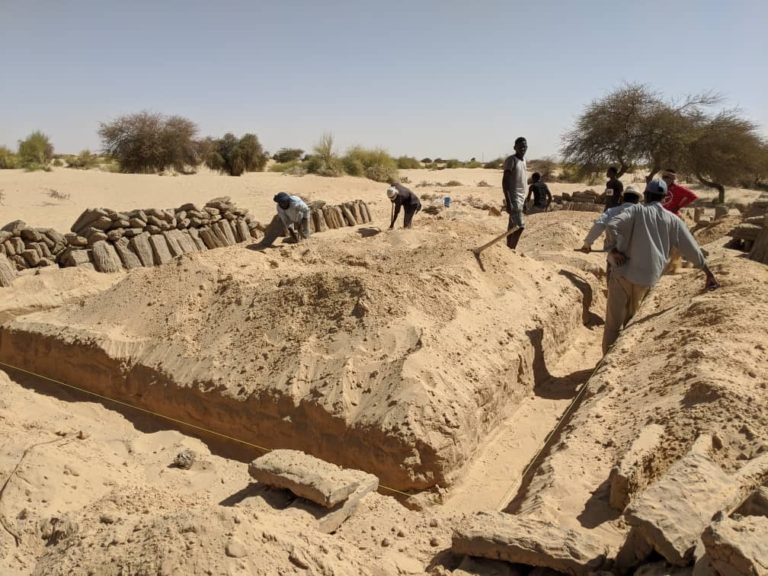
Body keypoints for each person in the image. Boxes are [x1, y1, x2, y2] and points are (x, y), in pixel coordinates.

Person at [601, 179, 719, 354]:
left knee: (613, 324)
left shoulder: (634, 210)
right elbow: (691, 248)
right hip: (647, 279)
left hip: (622, 274)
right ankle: (618, 357)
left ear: (646, 195)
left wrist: (614, 250)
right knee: (632, 323)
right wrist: (707, 272)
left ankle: (604, 360)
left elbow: (611, 224)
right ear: (664, 198)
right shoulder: (673, 220)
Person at [580, 186, 641, 253]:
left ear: (623, 198)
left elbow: (599, 225)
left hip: (614, 253)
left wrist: (587, 244)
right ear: (638, 200)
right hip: (638, 254)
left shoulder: (612, 211)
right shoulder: (644, 214)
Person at [502, 137, 528, 249]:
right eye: (520, 146)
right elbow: (505, 181)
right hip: (514, 199)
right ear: (515, 147)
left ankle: (508, 250)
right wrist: (508, 201)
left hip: (521, 199)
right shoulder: (511, 160)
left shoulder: (523, 161)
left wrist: (525, 200)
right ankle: (512, 250)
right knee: (520, 226)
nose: (523, 148)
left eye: (525, 146)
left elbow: (522, 183)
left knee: (512, 227)